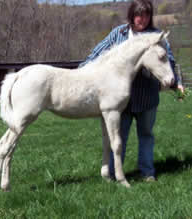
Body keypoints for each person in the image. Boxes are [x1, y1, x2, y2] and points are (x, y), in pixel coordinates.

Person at [79, 0, 184, 181]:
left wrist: (178, 83)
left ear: (150, 17)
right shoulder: (118, 33)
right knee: (119, 136)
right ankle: (113, 173)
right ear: (131, 15)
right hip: (119, 99)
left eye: (146, 15)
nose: (141, 19)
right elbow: (97, 53)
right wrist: (79, 73)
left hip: (147, 96)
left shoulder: (157, 36)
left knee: (146, 135)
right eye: (138, 14)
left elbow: (170, 61)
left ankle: (147, 172)